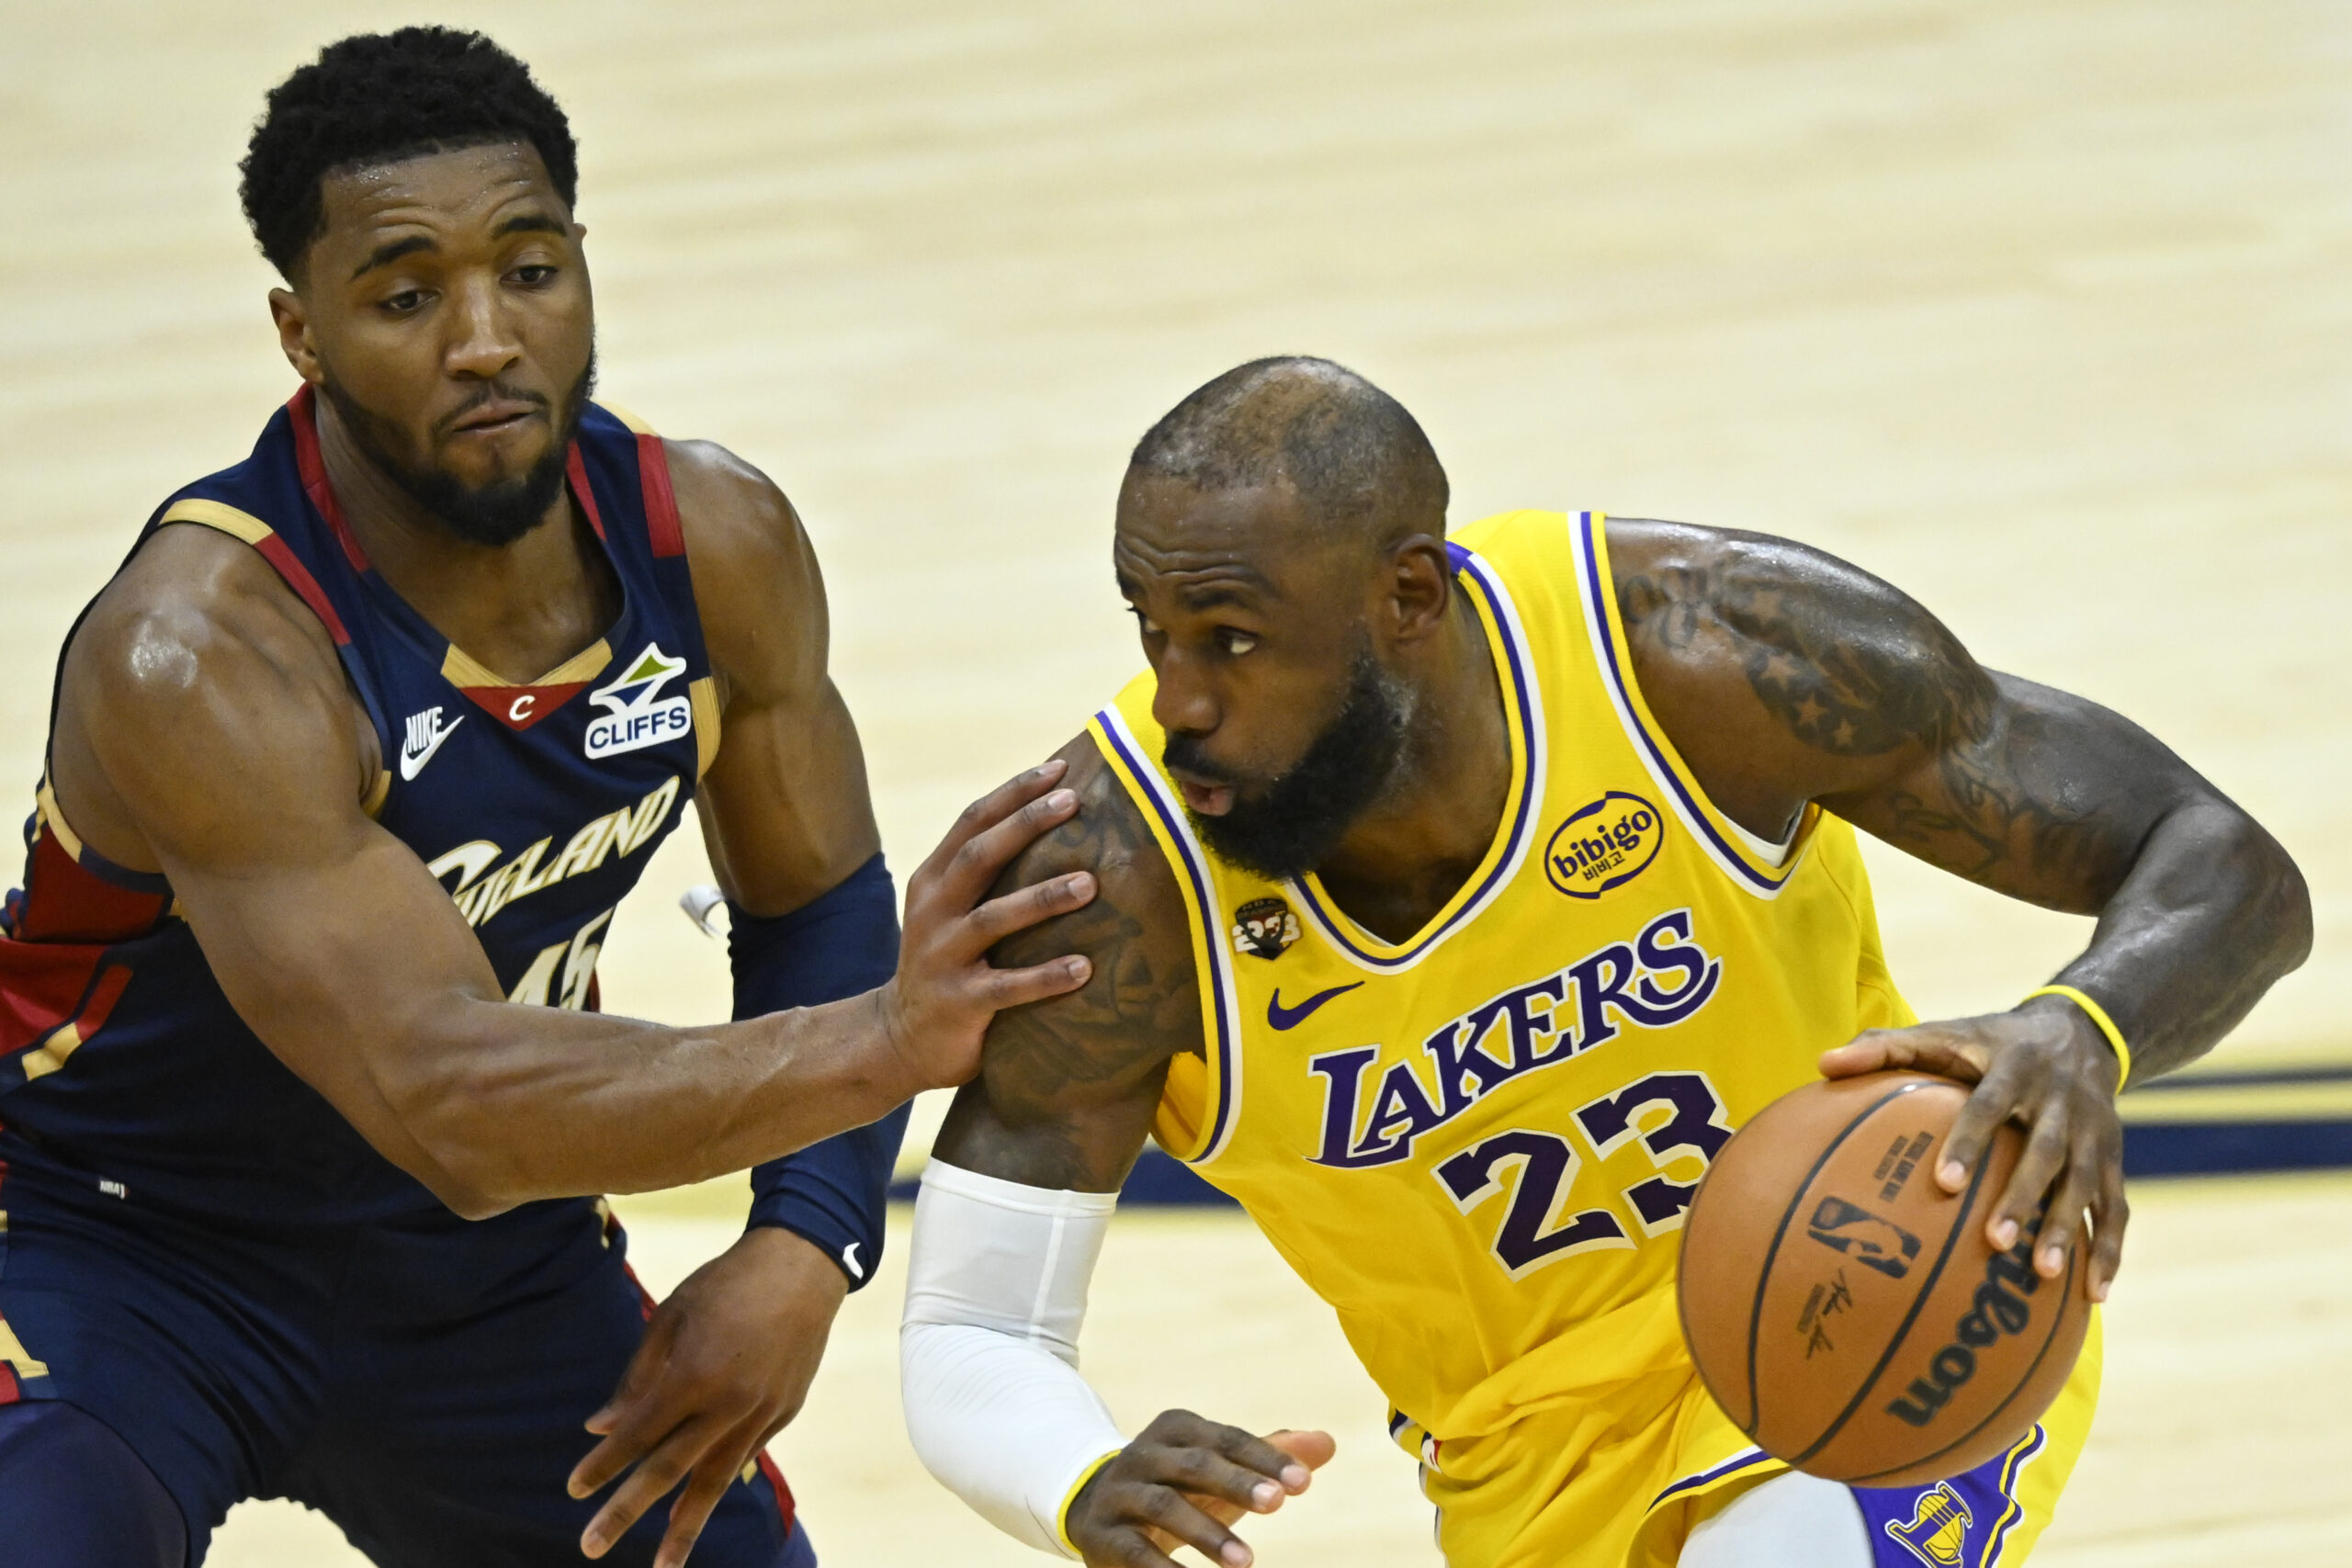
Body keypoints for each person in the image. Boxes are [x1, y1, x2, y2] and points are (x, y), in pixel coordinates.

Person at [897, 356, 2311, 1568]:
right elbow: (975, 1324)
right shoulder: (1116, 882)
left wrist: (2081, 1026)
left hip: (1891, 1306)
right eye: (1152, 631)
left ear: (1409, 596)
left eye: (1234, 642)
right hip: (1525, 1479)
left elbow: (2218, 859)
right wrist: (1080, 1477)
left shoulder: (1697, 656)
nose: (1181, 699)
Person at [0, 28, 1096, 1568]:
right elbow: (449, 1101)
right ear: (300, 333)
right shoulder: (201, 654)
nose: (485, 341)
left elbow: (815, 898)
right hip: (124, 1247)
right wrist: (878, 1045)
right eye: (404, 297)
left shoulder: (714, 541)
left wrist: (805, 1237)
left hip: (482, 1272)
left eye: (530, 272)